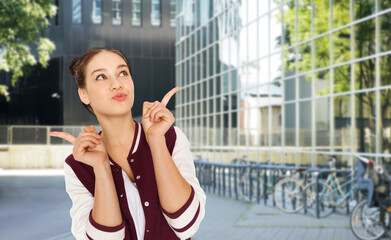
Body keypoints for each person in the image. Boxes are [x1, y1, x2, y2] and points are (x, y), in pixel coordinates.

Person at [49, 48, 206, 240]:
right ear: (84, 95)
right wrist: (101, 167)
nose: (117, 84)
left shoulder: (171, 137)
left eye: (122, 73)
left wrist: (156, 141)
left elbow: (186, 225)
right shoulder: (77, 164)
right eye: (101, 77)